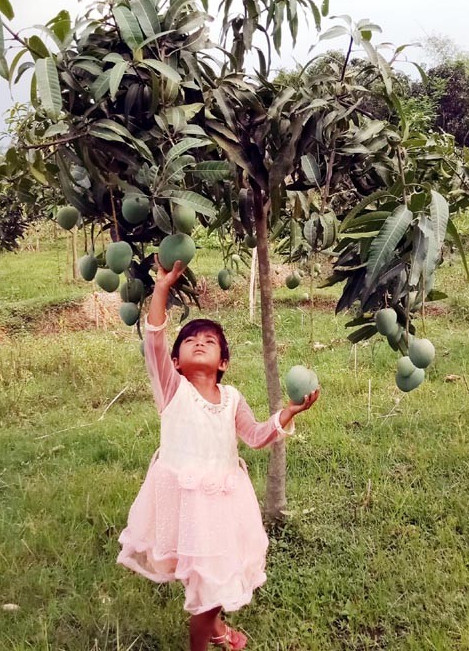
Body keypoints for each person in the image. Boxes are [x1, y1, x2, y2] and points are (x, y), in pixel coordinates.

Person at [116, 258, 320, 650]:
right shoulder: (172, 389)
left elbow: (256, 435)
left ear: (223, 362)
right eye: (190, 341)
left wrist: (287, 413)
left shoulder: (232, 398)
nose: (199, 343)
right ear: (175, 362)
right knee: (206, 587)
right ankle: (210, 636)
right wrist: (160, 288)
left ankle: (218, 629)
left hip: (223, 504)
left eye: (209, 341)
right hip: (183, 502)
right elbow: (156, 337)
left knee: (209, 576)